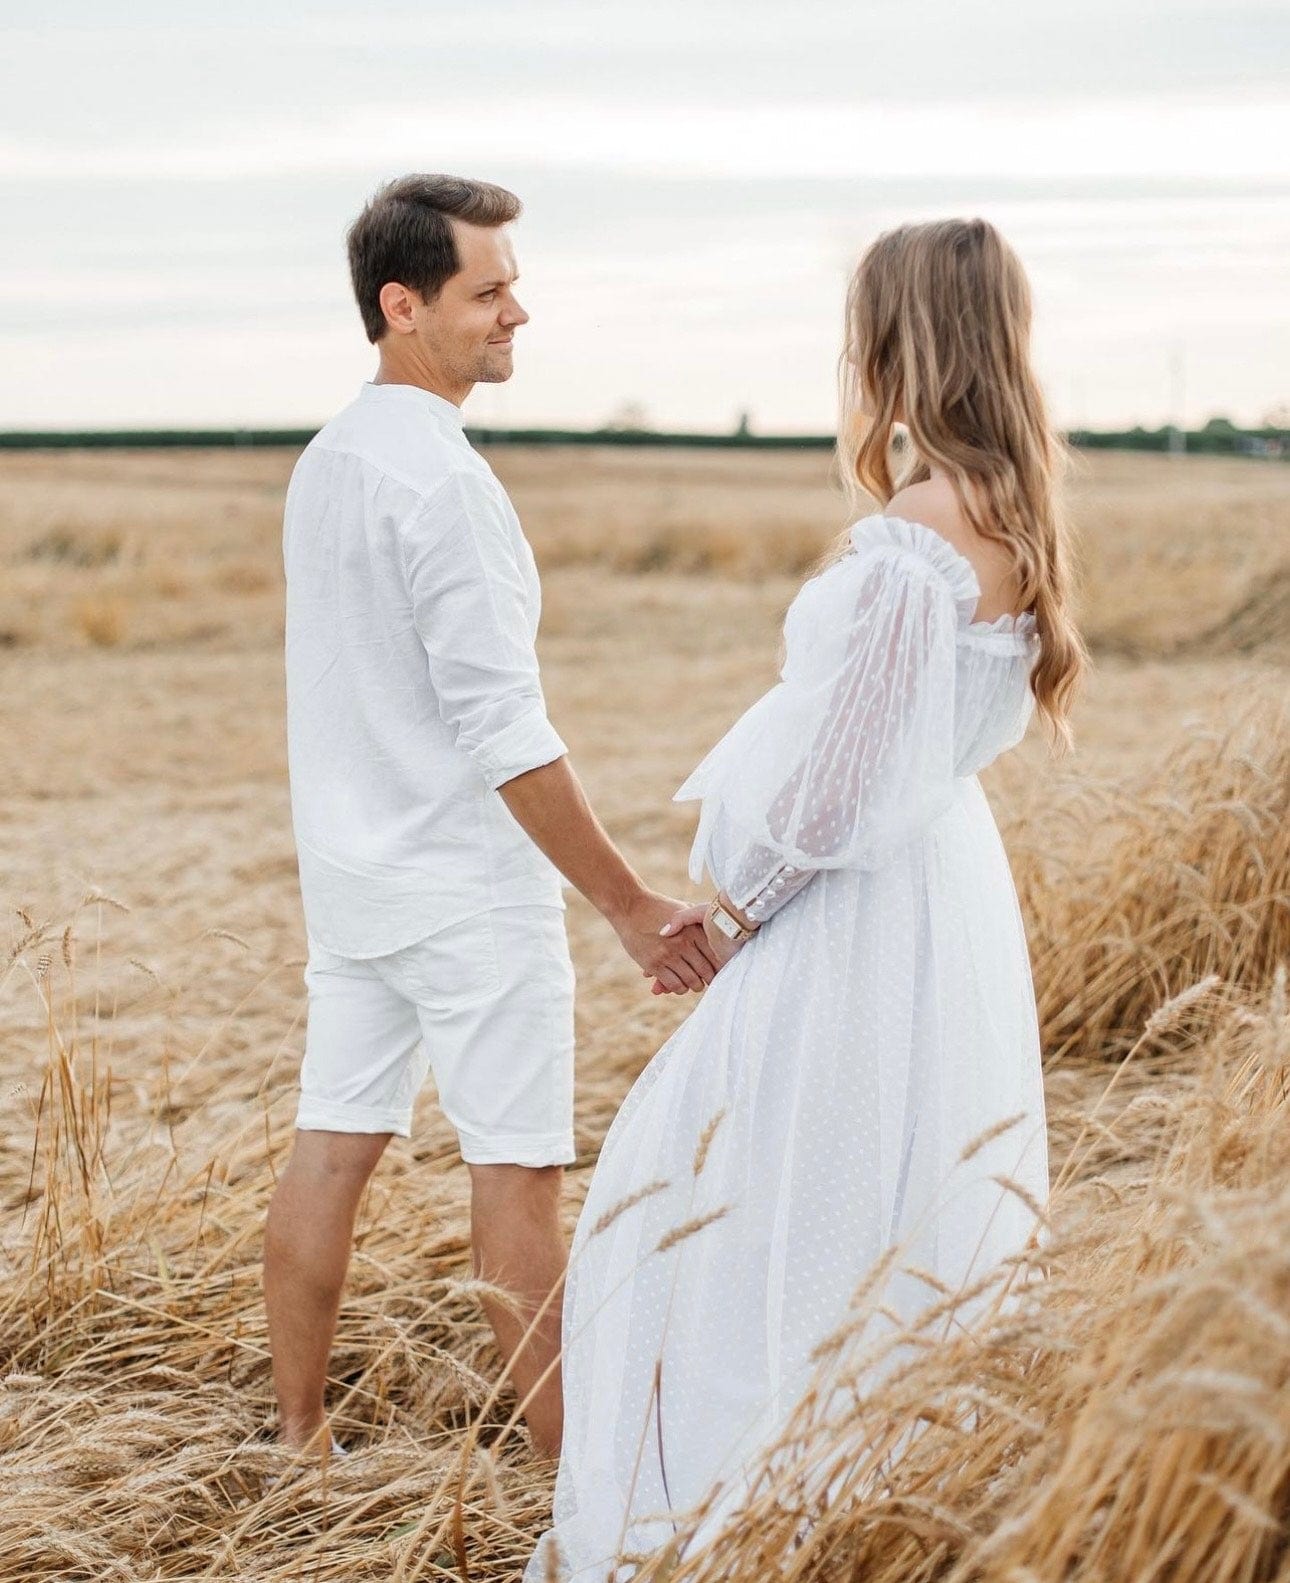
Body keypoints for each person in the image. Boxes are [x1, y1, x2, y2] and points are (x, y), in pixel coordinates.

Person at [529, 217, 1087, 1579]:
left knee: (740, 1190)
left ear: (900, 337)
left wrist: (726, 917)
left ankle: (741, 1502)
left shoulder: (914, 531)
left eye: (862, 325)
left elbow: (840, 786)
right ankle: (871, 1486)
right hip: (941, 898)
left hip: (854, 909)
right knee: (889, 1185)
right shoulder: (1012, 505)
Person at [263, 174, 718, 1462]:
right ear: (403, 306)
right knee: (517, 1172)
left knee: (332, 1145)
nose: (519, 309)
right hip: (467, 892)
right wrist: (631, 909)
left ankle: (295, 1443)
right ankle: (575, 1482)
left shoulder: (327, 460)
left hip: (353, 884)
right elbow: (504, 730)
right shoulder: (444, 483)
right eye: (489, 290)